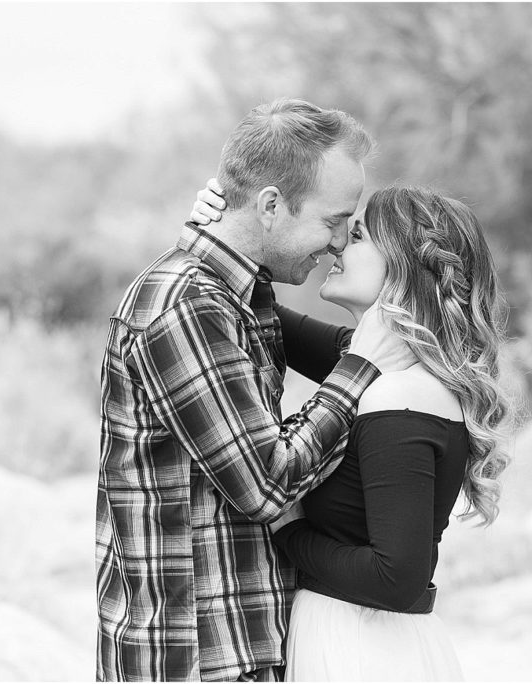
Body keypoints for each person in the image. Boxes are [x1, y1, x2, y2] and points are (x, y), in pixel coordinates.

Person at [96, 99, 416, 682]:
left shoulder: (237, 299)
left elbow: (372, 356)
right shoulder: (185, 306)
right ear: (271, 204)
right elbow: (266, 481)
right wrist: (361, 368)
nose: (341, 242)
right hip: (193, 660)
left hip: (239, 648)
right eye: (333, 220)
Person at [190, 179, 514, 680]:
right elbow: (249, 313)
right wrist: (225, 227)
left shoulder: (401, 394)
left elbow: (396, 579)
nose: (337, 244)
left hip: (363, 649)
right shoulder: (376, 367)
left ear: (401, 268)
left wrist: (286, 527)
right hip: (356, 637)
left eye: (358, 235)